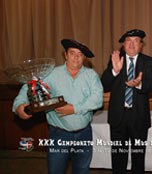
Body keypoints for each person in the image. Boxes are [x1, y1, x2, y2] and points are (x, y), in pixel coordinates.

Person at [12, 39, 103, 174]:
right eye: (72, 53)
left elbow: (97, 100)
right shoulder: (51, 74)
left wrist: (74, 109)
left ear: (84, 57)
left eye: (80, 54)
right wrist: (19, 106)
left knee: (82, 170)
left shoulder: (91, 75)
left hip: (84, 133)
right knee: (56, 170)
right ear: (65, 55)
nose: (77, 57)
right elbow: (29, 86)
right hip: (59, 134)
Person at [101, 29, 152, 174]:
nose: (132, 44)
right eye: (128, 41)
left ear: (141, 45)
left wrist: (138, 84)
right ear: (123, 44)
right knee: (118, 157)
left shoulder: (148, 61)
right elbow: (104, 85)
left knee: (138, 157)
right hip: (118, 117)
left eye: (136, 41)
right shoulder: (116, 60)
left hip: (139, 117)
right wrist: (115, 71)